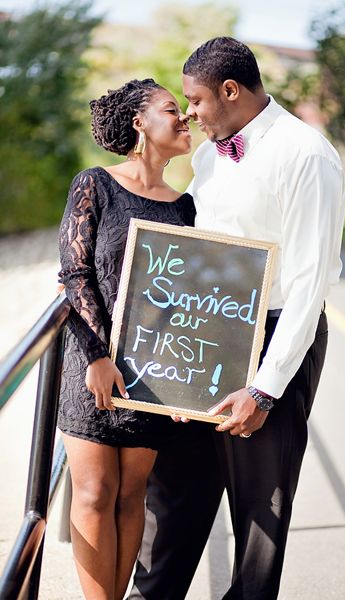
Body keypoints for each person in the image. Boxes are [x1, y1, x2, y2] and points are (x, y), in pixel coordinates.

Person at [130, 38, 345, 600]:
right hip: (204, 335)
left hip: (274, 337)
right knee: (175, 488)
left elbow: (308, 287)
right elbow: (191, 253)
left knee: (259, 508)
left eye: (196, 100)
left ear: (230, 91)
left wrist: (266, 389)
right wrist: (173, 361)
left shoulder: (306, 155)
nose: (191, 113)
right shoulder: (208, 154)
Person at [58, 78, 197, 600]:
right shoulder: (95, 183)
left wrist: (192, 385)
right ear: (140, 123)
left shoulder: (186, 206)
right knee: (94, 493)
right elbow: (74, 274)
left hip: (153, 372)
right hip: (93, 365)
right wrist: (96, 354)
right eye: (171, 109)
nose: (184, 117)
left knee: (131, 495)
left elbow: (189, 303)